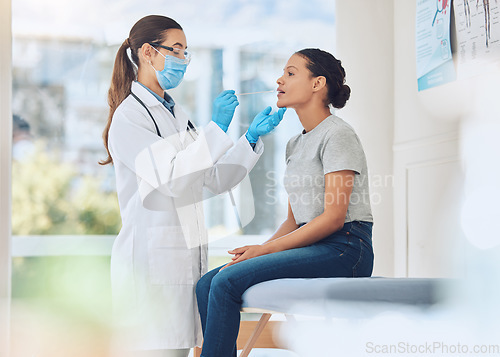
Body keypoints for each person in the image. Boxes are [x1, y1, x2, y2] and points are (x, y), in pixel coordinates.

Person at [99, 15, 286, 357]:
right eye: (176, 50)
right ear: (147, 53)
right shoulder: (130, 117)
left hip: (179, 267)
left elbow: (210, 178)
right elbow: (171, 178)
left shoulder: (176, 114)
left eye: (186, 52)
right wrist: (215, 127)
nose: (183, 60)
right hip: (150, 271)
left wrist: (250, 138)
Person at [196, 48, 374, 357]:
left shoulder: (338, 134)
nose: (280, 79)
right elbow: (294, 222)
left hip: (346, 247)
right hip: (312, 245)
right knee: (206, 283)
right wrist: (256, 252)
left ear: (318, 84)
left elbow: (333, 218)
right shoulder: (295, 142)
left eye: (290, 73)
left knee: (225, 282)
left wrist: (263, 251)